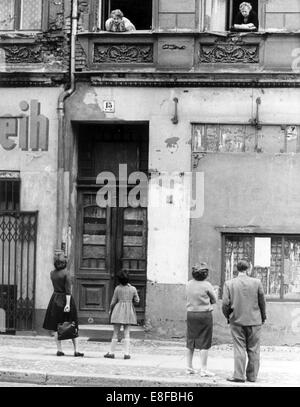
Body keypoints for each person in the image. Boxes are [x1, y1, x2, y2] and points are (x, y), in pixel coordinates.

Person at [222, 259, 266, 383]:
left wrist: (228, 316)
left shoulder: (229, 284)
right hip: (254, 320)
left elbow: (225, 303)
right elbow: (262, 302)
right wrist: (262, 317)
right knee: (254, 349)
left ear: (237, 269)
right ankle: (252, 377)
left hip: (237, 320)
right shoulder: (257, 282)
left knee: (239, 348)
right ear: (248, 269)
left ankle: (239, 376)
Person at [43, 252, 84, 357]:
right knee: (72, 324)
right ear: (64, 262)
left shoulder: (52, 273)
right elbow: (68, 290)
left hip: (55, 300)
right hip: (66, 299)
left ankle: (59, 349)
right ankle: (76, 350)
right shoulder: (66, 273)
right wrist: (68, 305)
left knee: (56, 326)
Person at [186, 263, 217, 376]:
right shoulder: (207, 285)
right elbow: (214, 300)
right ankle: (203, 370)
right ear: (205, 274)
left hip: (191, 314)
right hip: (204, 315)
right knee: (204, 342)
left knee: (191, 341)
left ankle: (189, 367)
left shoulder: (188, 284)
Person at [104, 270, 140, 359]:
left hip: (118, 311)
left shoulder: (117, 288)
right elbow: (137, 300)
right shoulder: (133, 288)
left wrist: (110, 309)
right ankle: (126, 353)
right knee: (127, 333)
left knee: (115, 332)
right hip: (128, 311)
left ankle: (111, 352)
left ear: (119, 280)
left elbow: (113, 301)